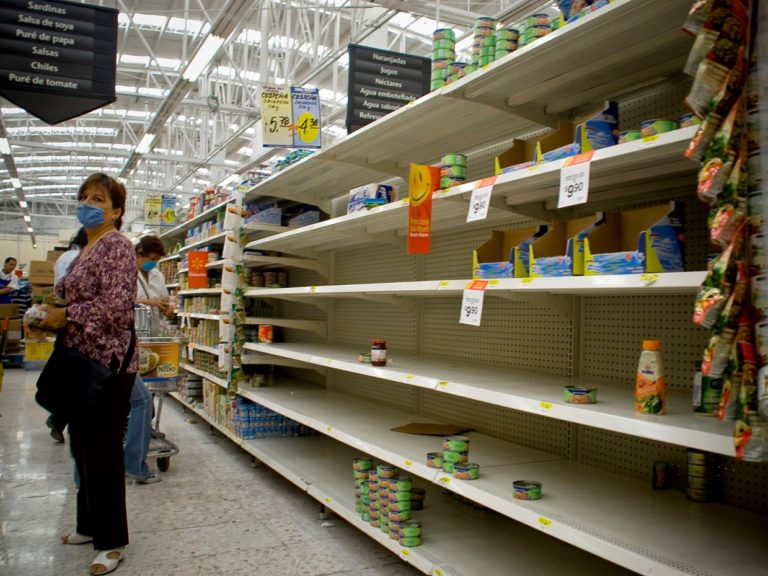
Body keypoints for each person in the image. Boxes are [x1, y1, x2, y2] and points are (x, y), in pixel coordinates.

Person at [39, 173, 136, 576]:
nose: (88, 204)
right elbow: (71, 296)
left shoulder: (117, 245)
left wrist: (67, 316)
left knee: (102, 452)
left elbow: (117, 307)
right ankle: (88, 525)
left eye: (98, 199)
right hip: (80, 360)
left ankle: (111, 542)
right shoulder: (85, 248)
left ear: (115, 211)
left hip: (107, 364)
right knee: (82, 448)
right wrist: (46, 314)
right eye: (83, 197)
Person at [125, 235, 171, 484]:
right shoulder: (125, 272)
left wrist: (166, 306)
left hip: (152, 339)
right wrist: (151, 301)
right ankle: (134, 458)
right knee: (139, 398)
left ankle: (139, 433)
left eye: (156, 260)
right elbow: (125, 300)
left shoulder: (157, 276)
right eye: (151, 259)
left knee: (147, 394)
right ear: (140, 253)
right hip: (130, 338)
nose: (153, 264)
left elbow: (164, 299)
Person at [45, 227, 89, 444]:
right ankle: (61, 418)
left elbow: (58, 289)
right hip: (79, 320)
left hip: (62, 317)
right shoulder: (83, 258)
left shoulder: (63, 258)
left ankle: (59, 417)